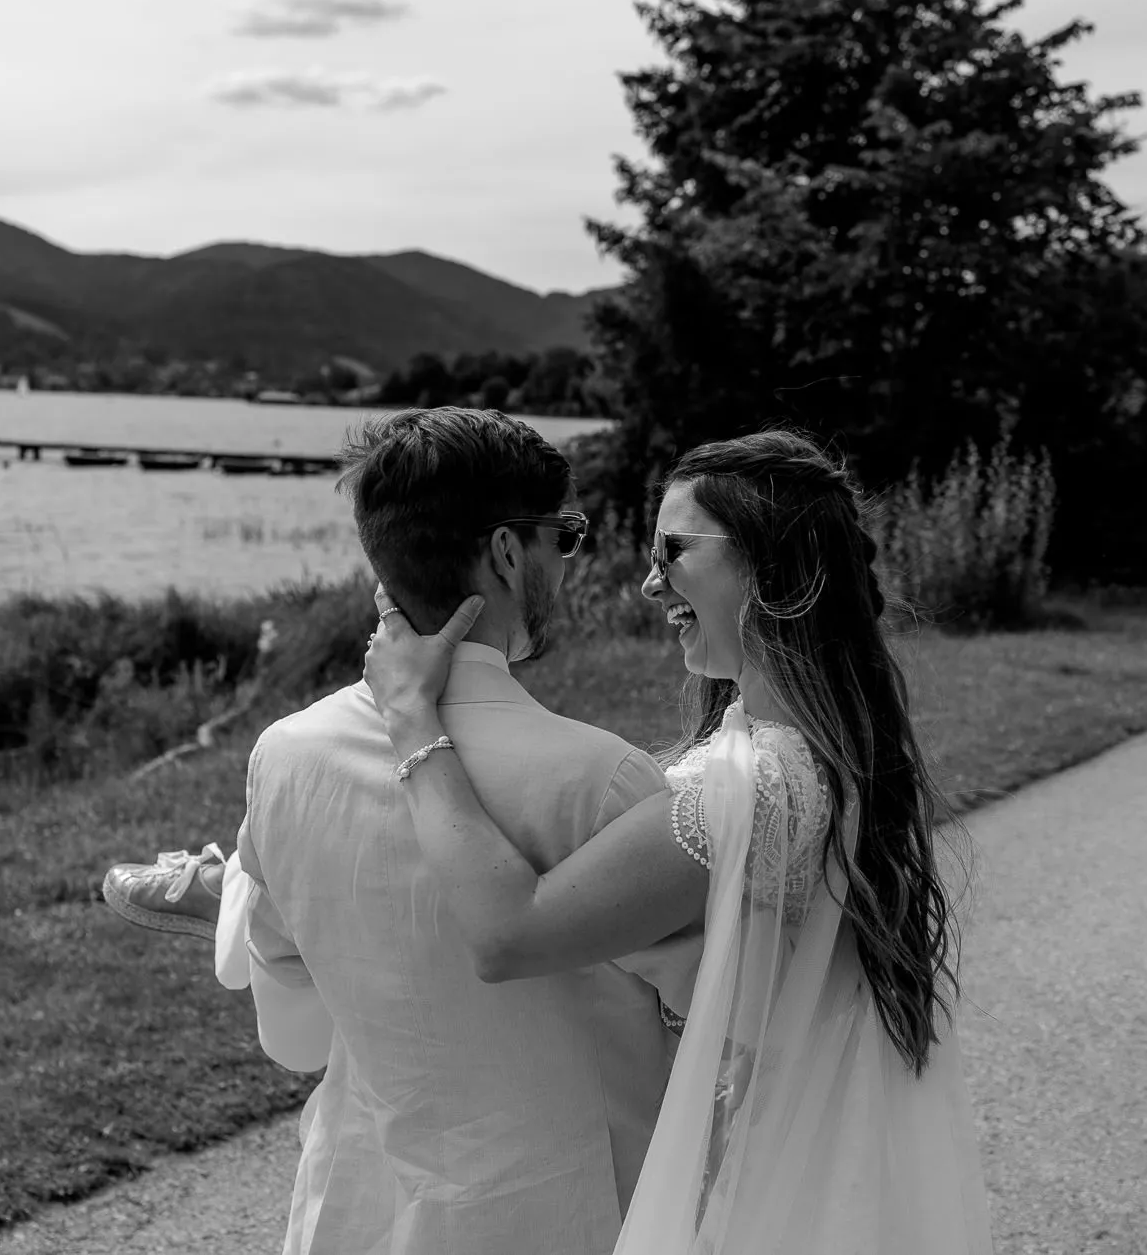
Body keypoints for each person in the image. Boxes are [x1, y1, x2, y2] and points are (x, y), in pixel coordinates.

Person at [359, 429, 994, 1253]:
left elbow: (509, 932)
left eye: (674, 551)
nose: (652, 581)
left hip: (753, 1176)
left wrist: (411, 720)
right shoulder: (808, 749)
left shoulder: (756, 786)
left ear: (769, 565)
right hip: (785, 1149)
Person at [103, 406, 703, 1255]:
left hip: (359, 1206)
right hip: (572, 1217)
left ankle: (227, 890)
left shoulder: (285, 755)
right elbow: (712, 1019)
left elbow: (297, 1036)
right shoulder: (603, 782)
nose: (568, 560)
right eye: (563, 535)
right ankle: (225, 891)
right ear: (504, 551)